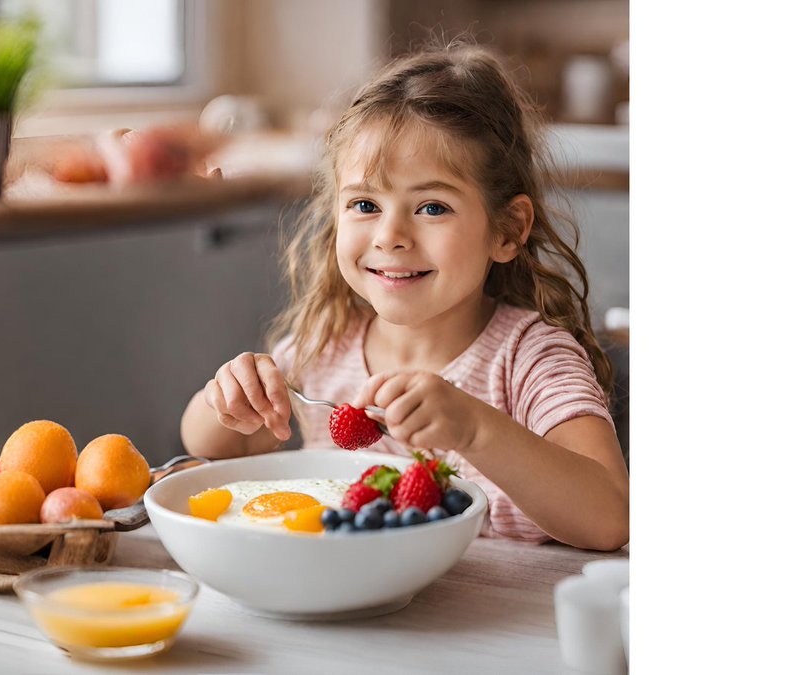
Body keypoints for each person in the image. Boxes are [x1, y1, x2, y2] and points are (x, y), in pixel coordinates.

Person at [179, 43, 628, 551]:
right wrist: (228, 398)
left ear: (507, 229)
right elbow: (210, 444)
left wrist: (478, 431)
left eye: (432, 207)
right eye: (365, 204)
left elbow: (610, 518)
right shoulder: (323, 350)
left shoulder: (532, 360)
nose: (390, 235)